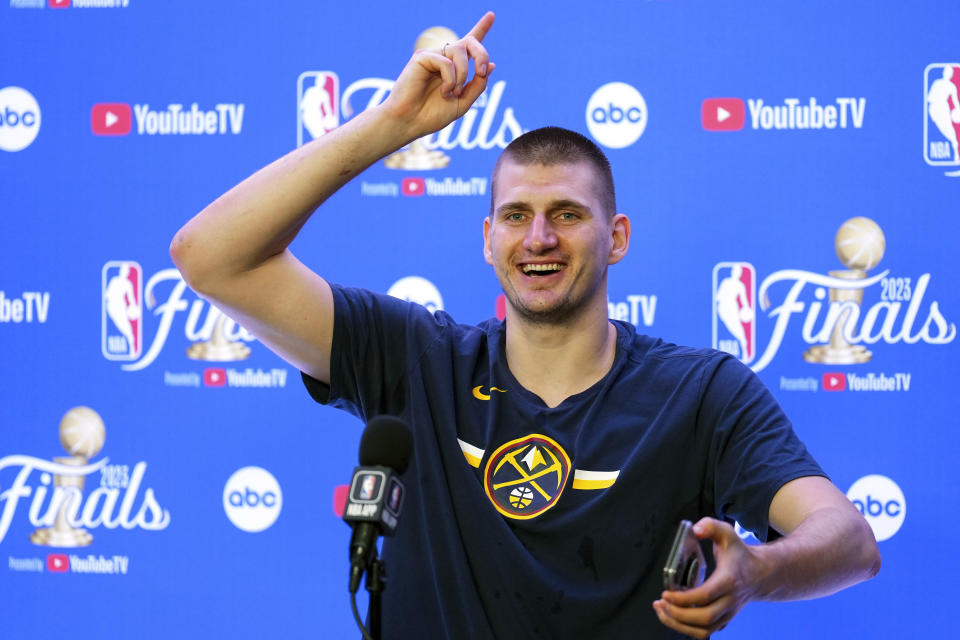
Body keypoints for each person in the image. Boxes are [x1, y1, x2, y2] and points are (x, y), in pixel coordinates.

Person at [170, 12, 880, 639]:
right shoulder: (417, 357)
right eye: (516, 216)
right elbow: (211, 257)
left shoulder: (699, 392)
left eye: (567, 214)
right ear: (488, 239)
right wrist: (389, 127)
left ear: (618, 236)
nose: (538, 237)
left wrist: (758, 567)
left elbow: (849, 540)